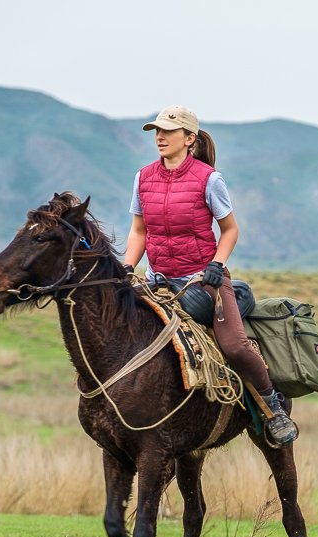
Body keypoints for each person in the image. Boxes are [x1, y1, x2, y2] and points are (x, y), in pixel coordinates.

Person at [123, 104, 298, 447]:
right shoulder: (143, 177)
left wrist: (216, 266)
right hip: (156, 281)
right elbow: (139, 231)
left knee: (233, 346)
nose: (160, 137)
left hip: (201, 280)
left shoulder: (208, 179)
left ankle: (273, 409)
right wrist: (127, 268)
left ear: (189, 138)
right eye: (156, 131)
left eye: (168, 132)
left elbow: (230, 229)